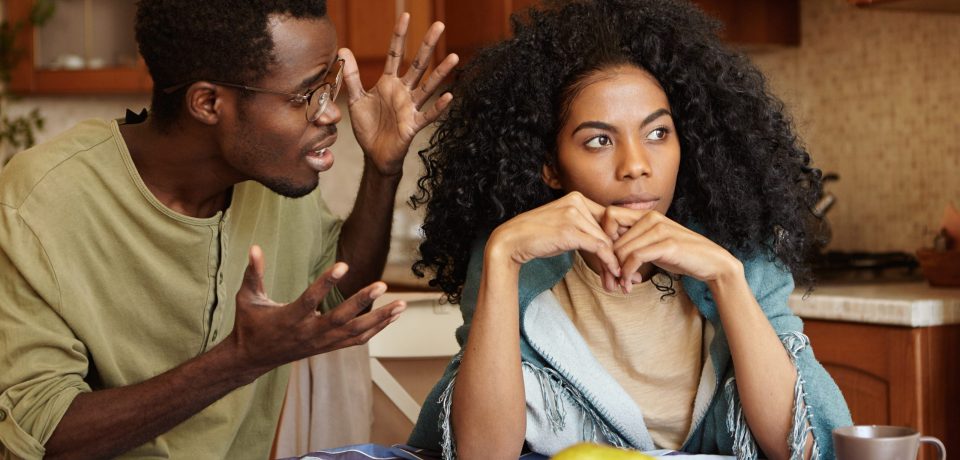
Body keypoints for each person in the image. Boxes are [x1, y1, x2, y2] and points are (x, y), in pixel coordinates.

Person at [0, 1, 458, 459]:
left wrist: (383, 170)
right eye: (305, 95)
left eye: (328, 85)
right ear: (208, 103)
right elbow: (44, 433)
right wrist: (242, 359)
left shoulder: (273, 178)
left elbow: (337, 291)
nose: (330, 112)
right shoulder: (38, 203)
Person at [406, 0, 851, 459]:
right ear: (550, 167)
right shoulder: (519, 257)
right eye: (599, 140)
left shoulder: (737, 244)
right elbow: (481, 454)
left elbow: (804, 448)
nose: (637, 166)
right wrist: (502, 257)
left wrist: (725, 276)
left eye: (658, 133)